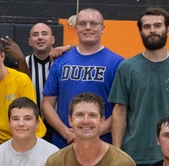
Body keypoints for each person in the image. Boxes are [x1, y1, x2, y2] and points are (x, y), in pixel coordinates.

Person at [109, 7, 169, 166]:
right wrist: (117, 151)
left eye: (157, 25)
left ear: (167, 29)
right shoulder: (127, 67)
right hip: (135, 154)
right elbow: (120, 110)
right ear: (140, 32)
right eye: (146, 27)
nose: (152, 30)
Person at [41, 8, 124, 150]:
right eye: (82, 23)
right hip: (64, 144)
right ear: (76, 28)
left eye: (93, 23)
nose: (88, 27)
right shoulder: (60, 61)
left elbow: (120, 110)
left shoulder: (117, 63)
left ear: (102, 28)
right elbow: (47, 105)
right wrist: (67, 133)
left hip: (101, 145)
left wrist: (92, 132)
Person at [0, 37, 45, 147]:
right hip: (4, 146)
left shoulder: (22, 80)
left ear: (2, 56)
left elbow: (28, 120)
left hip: (32, 142)